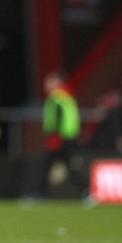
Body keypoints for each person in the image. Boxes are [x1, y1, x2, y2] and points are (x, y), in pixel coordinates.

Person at [23, 70, 87, 200]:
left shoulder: (56, 98)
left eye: (49, 81)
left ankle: (86, 192)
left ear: (57, 82)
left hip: (61, 139)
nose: (46, 84)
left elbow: (58, 120)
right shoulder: (67, 96)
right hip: (67, 137)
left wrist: (54, 139)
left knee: (56, 166)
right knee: (54, 166)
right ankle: (86, 192)